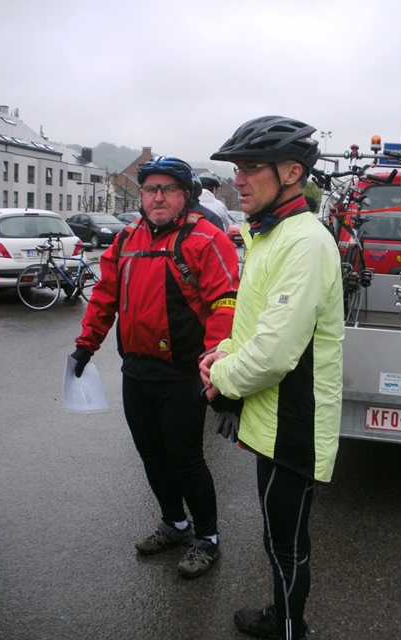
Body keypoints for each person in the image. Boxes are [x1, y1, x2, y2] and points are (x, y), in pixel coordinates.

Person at [200, 116, 344, 639]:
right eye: (237, 168)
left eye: (250, 167)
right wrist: (220, 354)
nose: (237, 179)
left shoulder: (303, 241)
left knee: (285, 544)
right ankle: (285, 619)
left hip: (295, 423)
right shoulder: (269, 236)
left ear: (291, 173)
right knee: (275, 537)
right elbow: (254, 324)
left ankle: (289, 629)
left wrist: (220, 378)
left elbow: (274, 353)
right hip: (273, 420)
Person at [70, 156, 240, 579]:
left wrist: (215, 360)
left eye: (168, 189)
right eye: (150, 189)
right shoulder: (128, 238)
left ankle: (208, 537)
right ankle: (175, 523)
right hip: (137, 370)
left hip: (182, 373)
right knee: (151, 454)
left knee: (185, 458)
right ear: (142, 196)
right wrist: (84, 347)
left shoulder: (205, 239)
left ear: (185, 196)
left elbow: (225, 303)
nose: (157, 196)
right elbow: (105, 295)